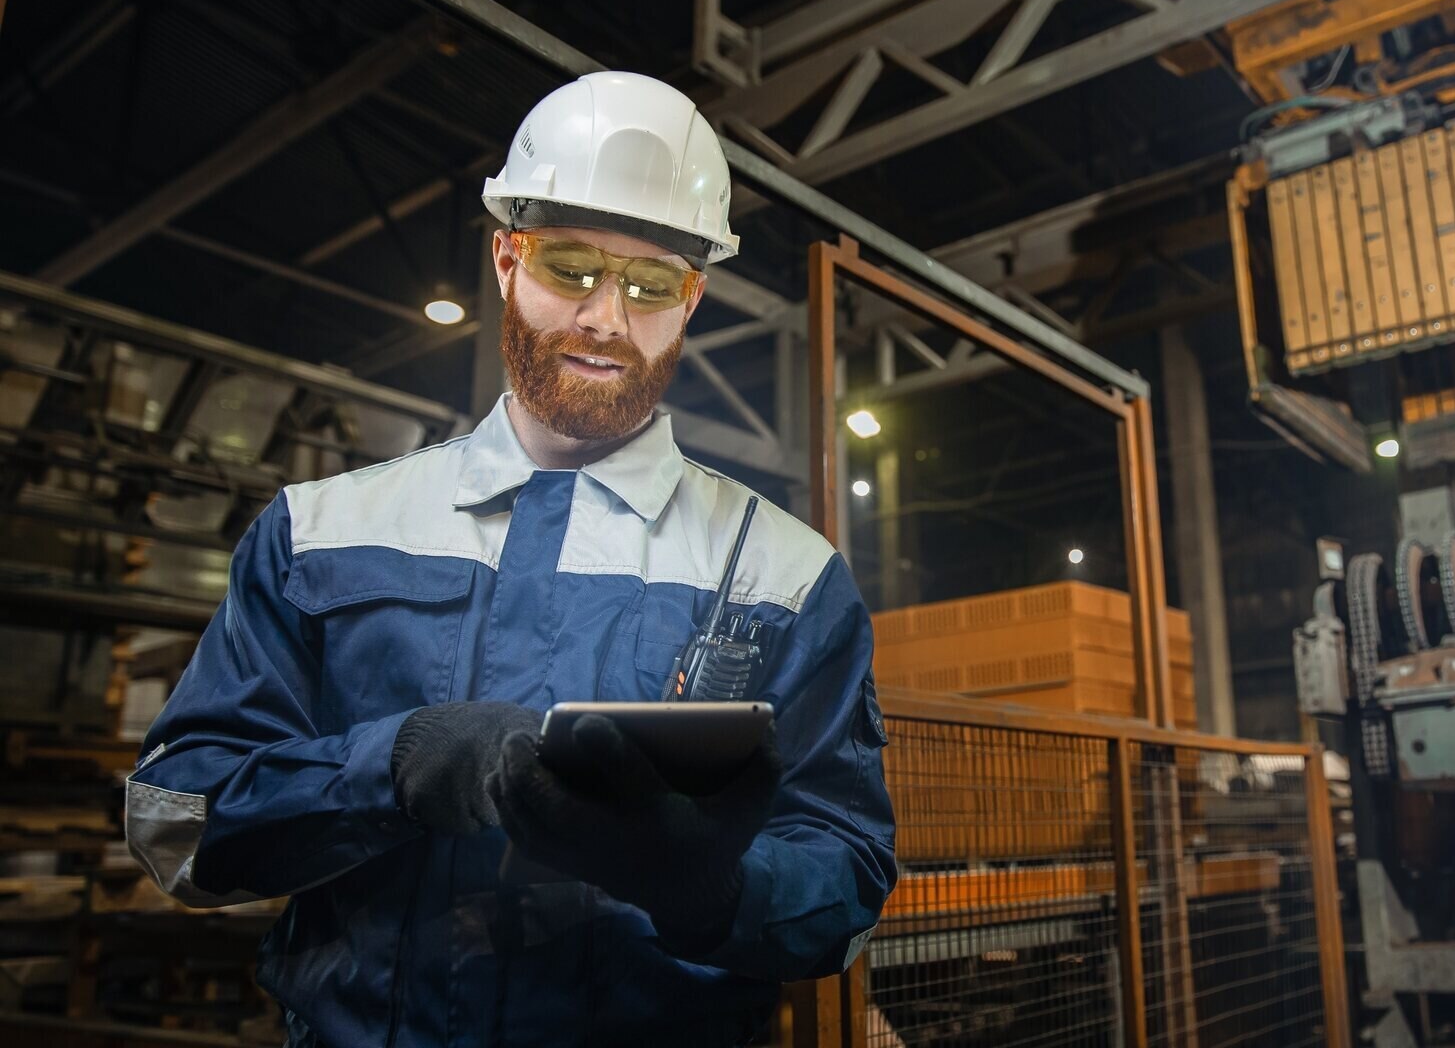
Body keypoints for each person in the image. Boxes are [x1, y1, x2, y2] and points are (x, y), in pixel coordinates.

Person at [125, 71, 897, 1047]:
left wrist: (713, 889)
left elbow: (849, 881)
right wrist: (389, 766)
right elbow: (175, 820)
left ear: (692, 298)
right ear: (505, 260)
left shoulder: (785, 576)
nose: (608, 319)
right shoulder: (319, 530)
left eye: (652, 283)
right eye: (570, 266)